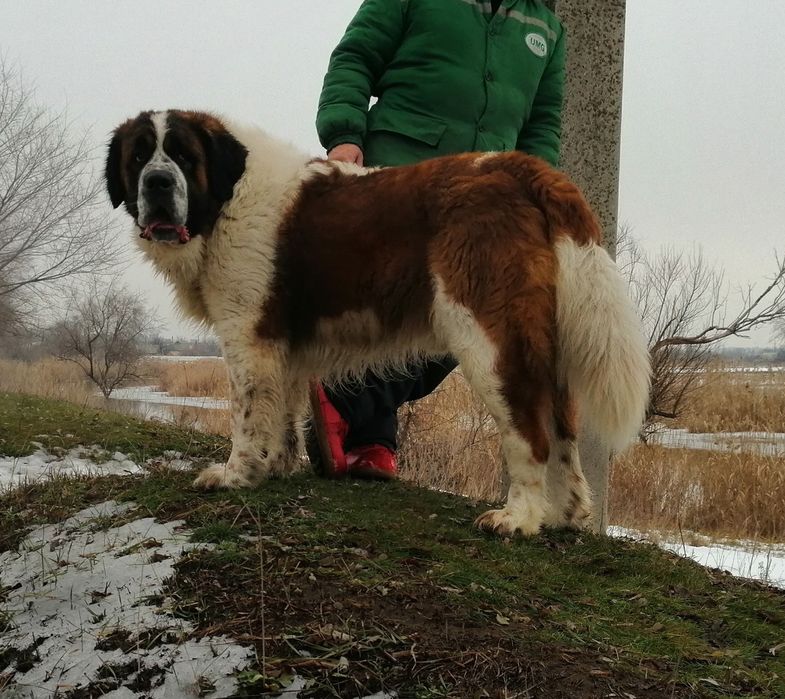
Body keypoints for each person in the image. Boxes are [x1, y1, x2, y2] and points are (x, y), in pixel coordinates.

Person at [309, 0, 566, 479]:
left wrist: (537, 192)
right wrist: (344, 134)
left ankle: (346, 405)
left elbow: (542, 123)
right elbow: (356, 56)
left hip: (484, 200)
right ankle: (369, 433)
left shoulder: (546, 28)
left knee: (467, 319)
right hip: (399, 175)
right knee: (392, 307)